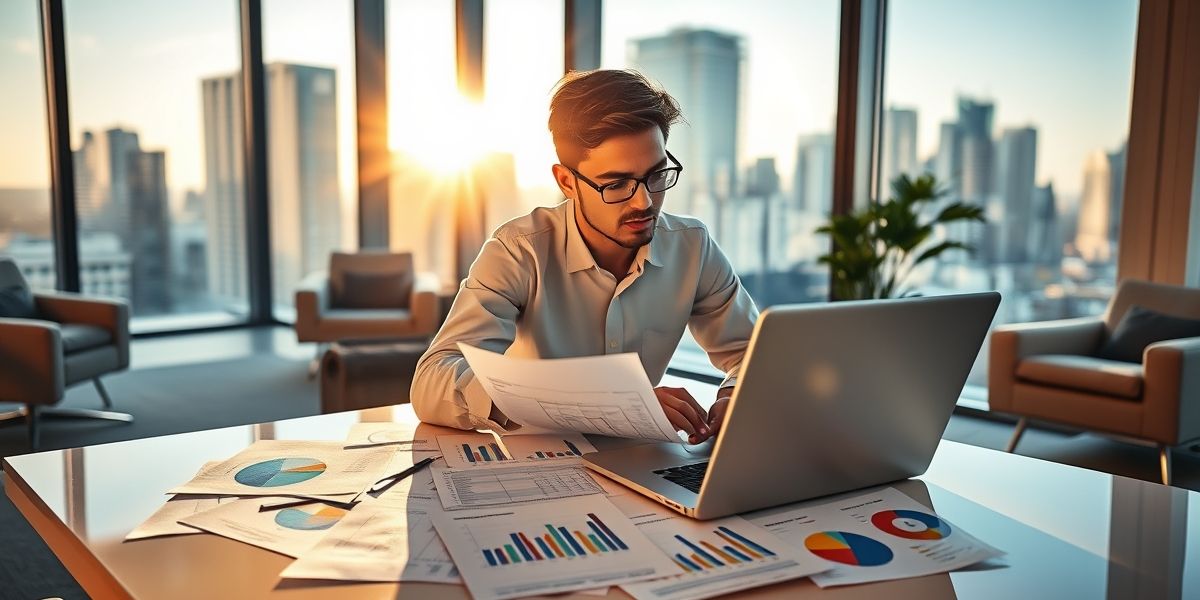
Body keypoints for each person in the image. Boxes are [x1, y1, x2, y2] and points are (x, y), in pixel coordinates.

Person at [411, 69, 758, 444]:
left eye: (657, 176)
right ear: (566, 182)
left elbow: (754, 353)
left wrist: (734, 394)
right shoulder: (519, 249)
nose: (644, 202)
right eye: (616, 184)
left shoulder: (692, 246)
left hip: (642, 457)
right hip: (537, 461)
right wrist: (607, 404)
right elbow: (433, 381)